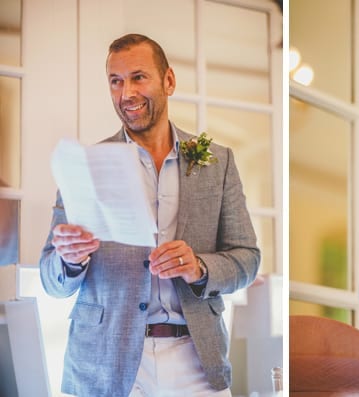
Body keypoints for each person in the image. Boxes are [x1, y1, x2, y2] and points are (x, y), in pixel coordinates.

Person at [39, 33, 259, 396]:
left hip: (197, 361)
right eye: (116, 81)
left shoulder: (218, 162)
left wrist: (199, 268)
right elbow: (51, 279)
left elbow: (247, 259)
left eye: (138, 77)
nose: (126, 94)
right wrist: (70, 260)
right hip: (106, 363)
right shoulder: (86, 166)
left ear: (168, 81)